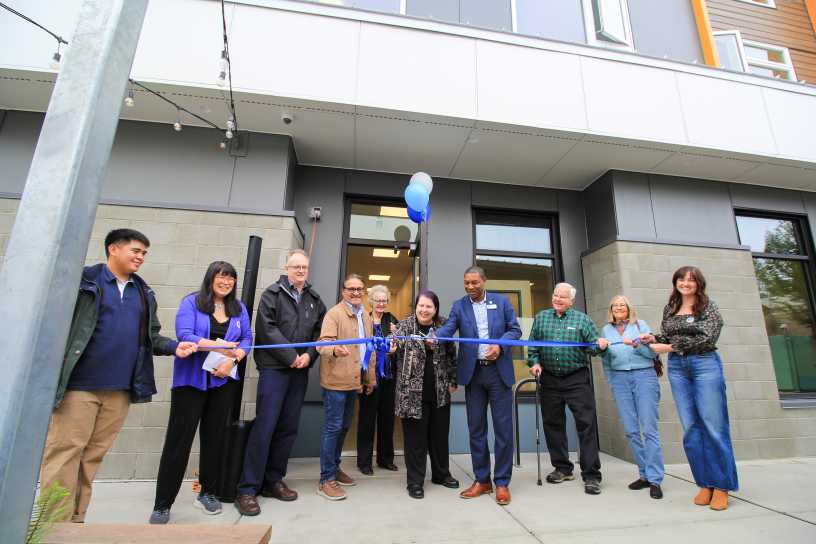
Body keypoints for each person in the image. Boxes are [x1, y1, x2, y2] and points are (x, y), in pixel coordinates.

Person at [39, 229, 197, 523]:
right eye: (136, 251)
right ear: (113, 248)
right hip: (80, 387)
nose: (140, 257)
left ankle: (75, 522)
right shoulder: (85, 281)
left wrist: (176, 346)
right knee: (64, 455)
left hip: (120, 390)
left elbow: (150, 337)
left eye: (144, 254)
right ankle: (51, 529)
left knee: (91, 459)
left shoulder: (144, 292)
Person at [150, 261, 252, 524]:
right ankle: (163, 504)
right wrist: (220, 347)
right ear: (210, 279)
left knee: (215, 440)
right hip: (191, 382)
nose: (226, 282)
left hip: (222, 381)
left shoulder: (238, 308)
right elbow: (185, 335)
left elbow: (247, 338)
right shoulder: (191, 302)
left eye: (231, 278)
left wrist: (235, 358)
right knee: (178, 442)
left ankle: (207, 492)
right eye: (221, 277)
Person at [235, 249, 326, 516]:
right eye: (295, 266)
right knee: (265, 427)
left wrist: (308, 356)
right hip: (275, 369)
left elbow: (320, 333)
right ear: (287, 268)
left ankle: (273, 480)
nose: (300, 271)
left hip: (300, 371)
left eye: (304, 267)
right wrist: (292, 356)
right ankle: (248, 488)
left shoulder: (314, 299)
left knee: (287, 429)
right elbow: (266, 328)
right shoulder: (271, 295)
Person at [639, 266, 738, 511]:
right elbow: (668, 335)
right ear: (676, 282)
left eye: (691, 280)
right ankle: (705, 483)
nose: (685, 283)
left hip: (705, 364)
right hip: (678, 369)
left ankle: (722, 486)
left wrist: (670, 348)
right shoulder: (671, 307)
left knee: (713, 426)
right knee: (691, 428)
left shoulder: (708, 307)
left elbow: (708, 337)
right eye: (681, 279)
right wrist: (654, 339)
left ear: (699, 284)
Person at [434, 266, 521, 506]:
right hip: (474, 375)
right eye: (466, 283)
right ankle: (482, 480)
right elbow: (449, 328)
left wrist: (500, 345)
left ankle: (502, 482)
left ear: (484, 281)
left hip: (498, 373)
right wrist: (434, 337)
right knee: (476, 430)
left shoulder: (501, 302)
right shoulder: (460, 305)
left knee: (503, 430)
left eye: (474, 282)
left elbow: (515, 329)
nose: (470, 287)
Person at [527, 282, 609, 495]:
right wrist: (534, 363)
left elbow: (593, 348)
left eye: (562, 297)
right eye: (555, 295)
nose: (557, 299)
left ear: (571, 300)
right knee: (553, 424)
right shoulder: (541, 318)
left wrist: (599, 345)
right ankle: (562, 468)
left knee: (586, 425)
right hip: (550, 380)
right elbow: (533, 346)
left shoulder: (582, 320)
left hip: (576, 379)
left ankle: (591, 475)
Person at [314, 273, 377, 501]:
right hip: (336, 382)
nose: (356, 292)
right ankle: (325, 479)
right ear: (343, 291)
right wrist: (334, 349)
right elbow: (322, 344)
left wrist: (370, 379)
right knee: (333, 428)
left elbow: (369, 350)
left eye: (360, 289)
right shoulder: (334, 314)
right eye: (351, 289)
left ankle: (334, 468)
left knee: (343, 428)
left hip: (354, 381)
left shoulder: (366, 317)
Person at [392, 290, 459, 499]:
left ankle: (441, 474)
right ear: (416, 306)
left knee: (439, 438)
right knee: (415, 441)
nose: (424, 309)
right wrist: (391, 345)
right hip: (411, 395)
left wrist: (453, 382)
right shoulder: (405, 326)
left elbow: (452, 356)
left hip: (439, 392)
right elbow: (393, 343)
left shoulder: (443, 326)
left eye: (429, 306)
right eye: (421, 305)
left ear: (435, 309)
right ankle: (415, 482)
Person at [600, 295, 664, 500]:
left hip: (643, 375)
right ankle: (644, 474)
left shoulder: (640, 325)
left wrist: (637, 345)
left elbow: (652, 354)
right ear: (611, 309)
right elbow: (607, 360)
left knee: (649, 429)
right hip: (619, 379)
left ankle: (655, 479)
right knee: (631, 430)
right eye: (615, 305)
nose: (619, 307)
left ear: (629, 309)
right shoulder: (606, 330)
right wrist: (612, 381)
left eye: (622, 305)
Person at [356, 285, 398, 475]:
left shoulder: (392, 320)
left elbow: (398, 342)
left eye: (384, 300)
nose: (381, 303)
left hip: (388, 377)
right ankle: (364, 462)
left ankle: (386, 459)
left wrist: (395, 345)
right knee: (367, 420)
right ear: (371, 301)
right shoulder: (364, 319)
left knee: (387, 420)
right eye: (377, 300)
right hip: (370, 376)